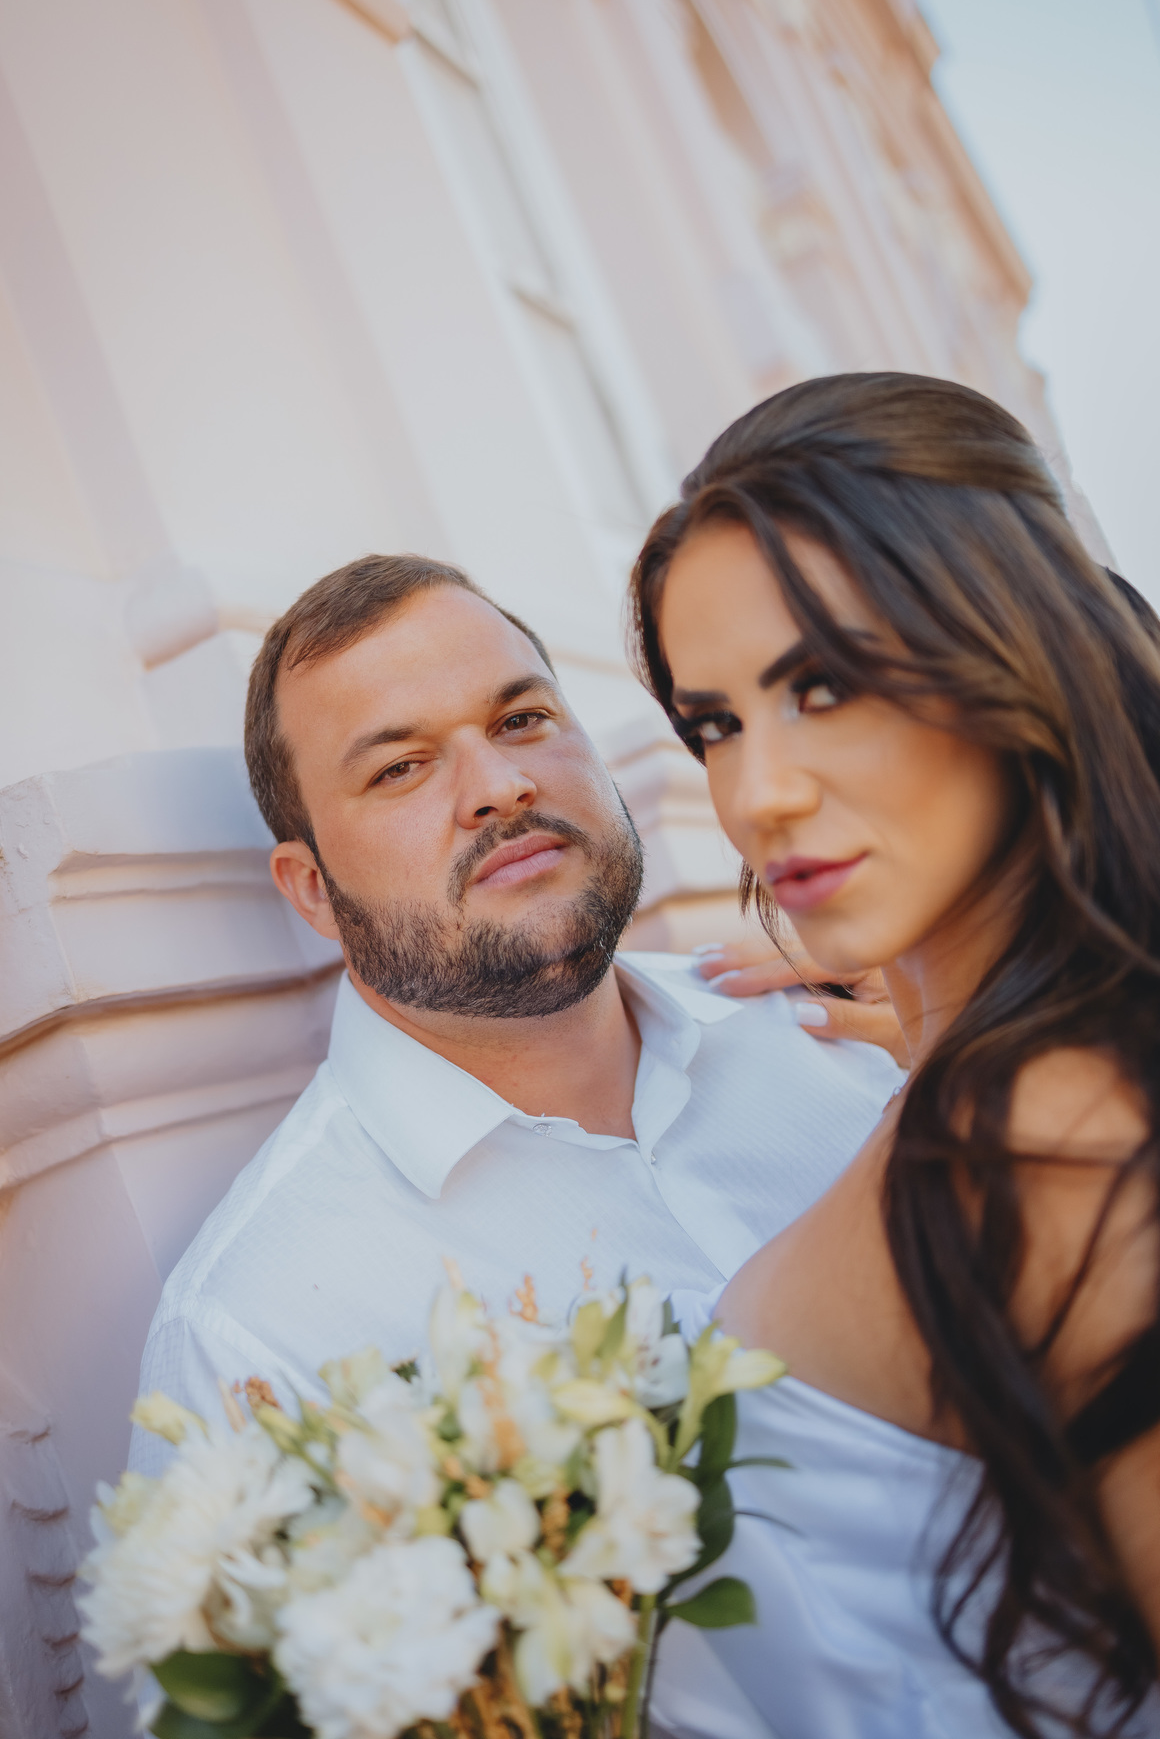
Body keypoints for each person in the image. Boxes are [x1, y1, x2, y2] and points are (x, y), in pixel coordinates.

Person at [631, 374, 1160, 1739]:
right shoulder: (981, 1070)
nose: (758, 796)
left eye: (825, 684)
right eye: (715, 724)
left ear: (1006, 646)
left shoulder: (1039, 1142)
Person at [130, 554, 902, 1476]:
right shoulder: (255, 1340)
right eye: (401, 767)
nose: (499, 784)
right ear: (313, 891)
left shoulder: (852, 1030)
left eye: (522, 720)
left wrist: (966, 1042)